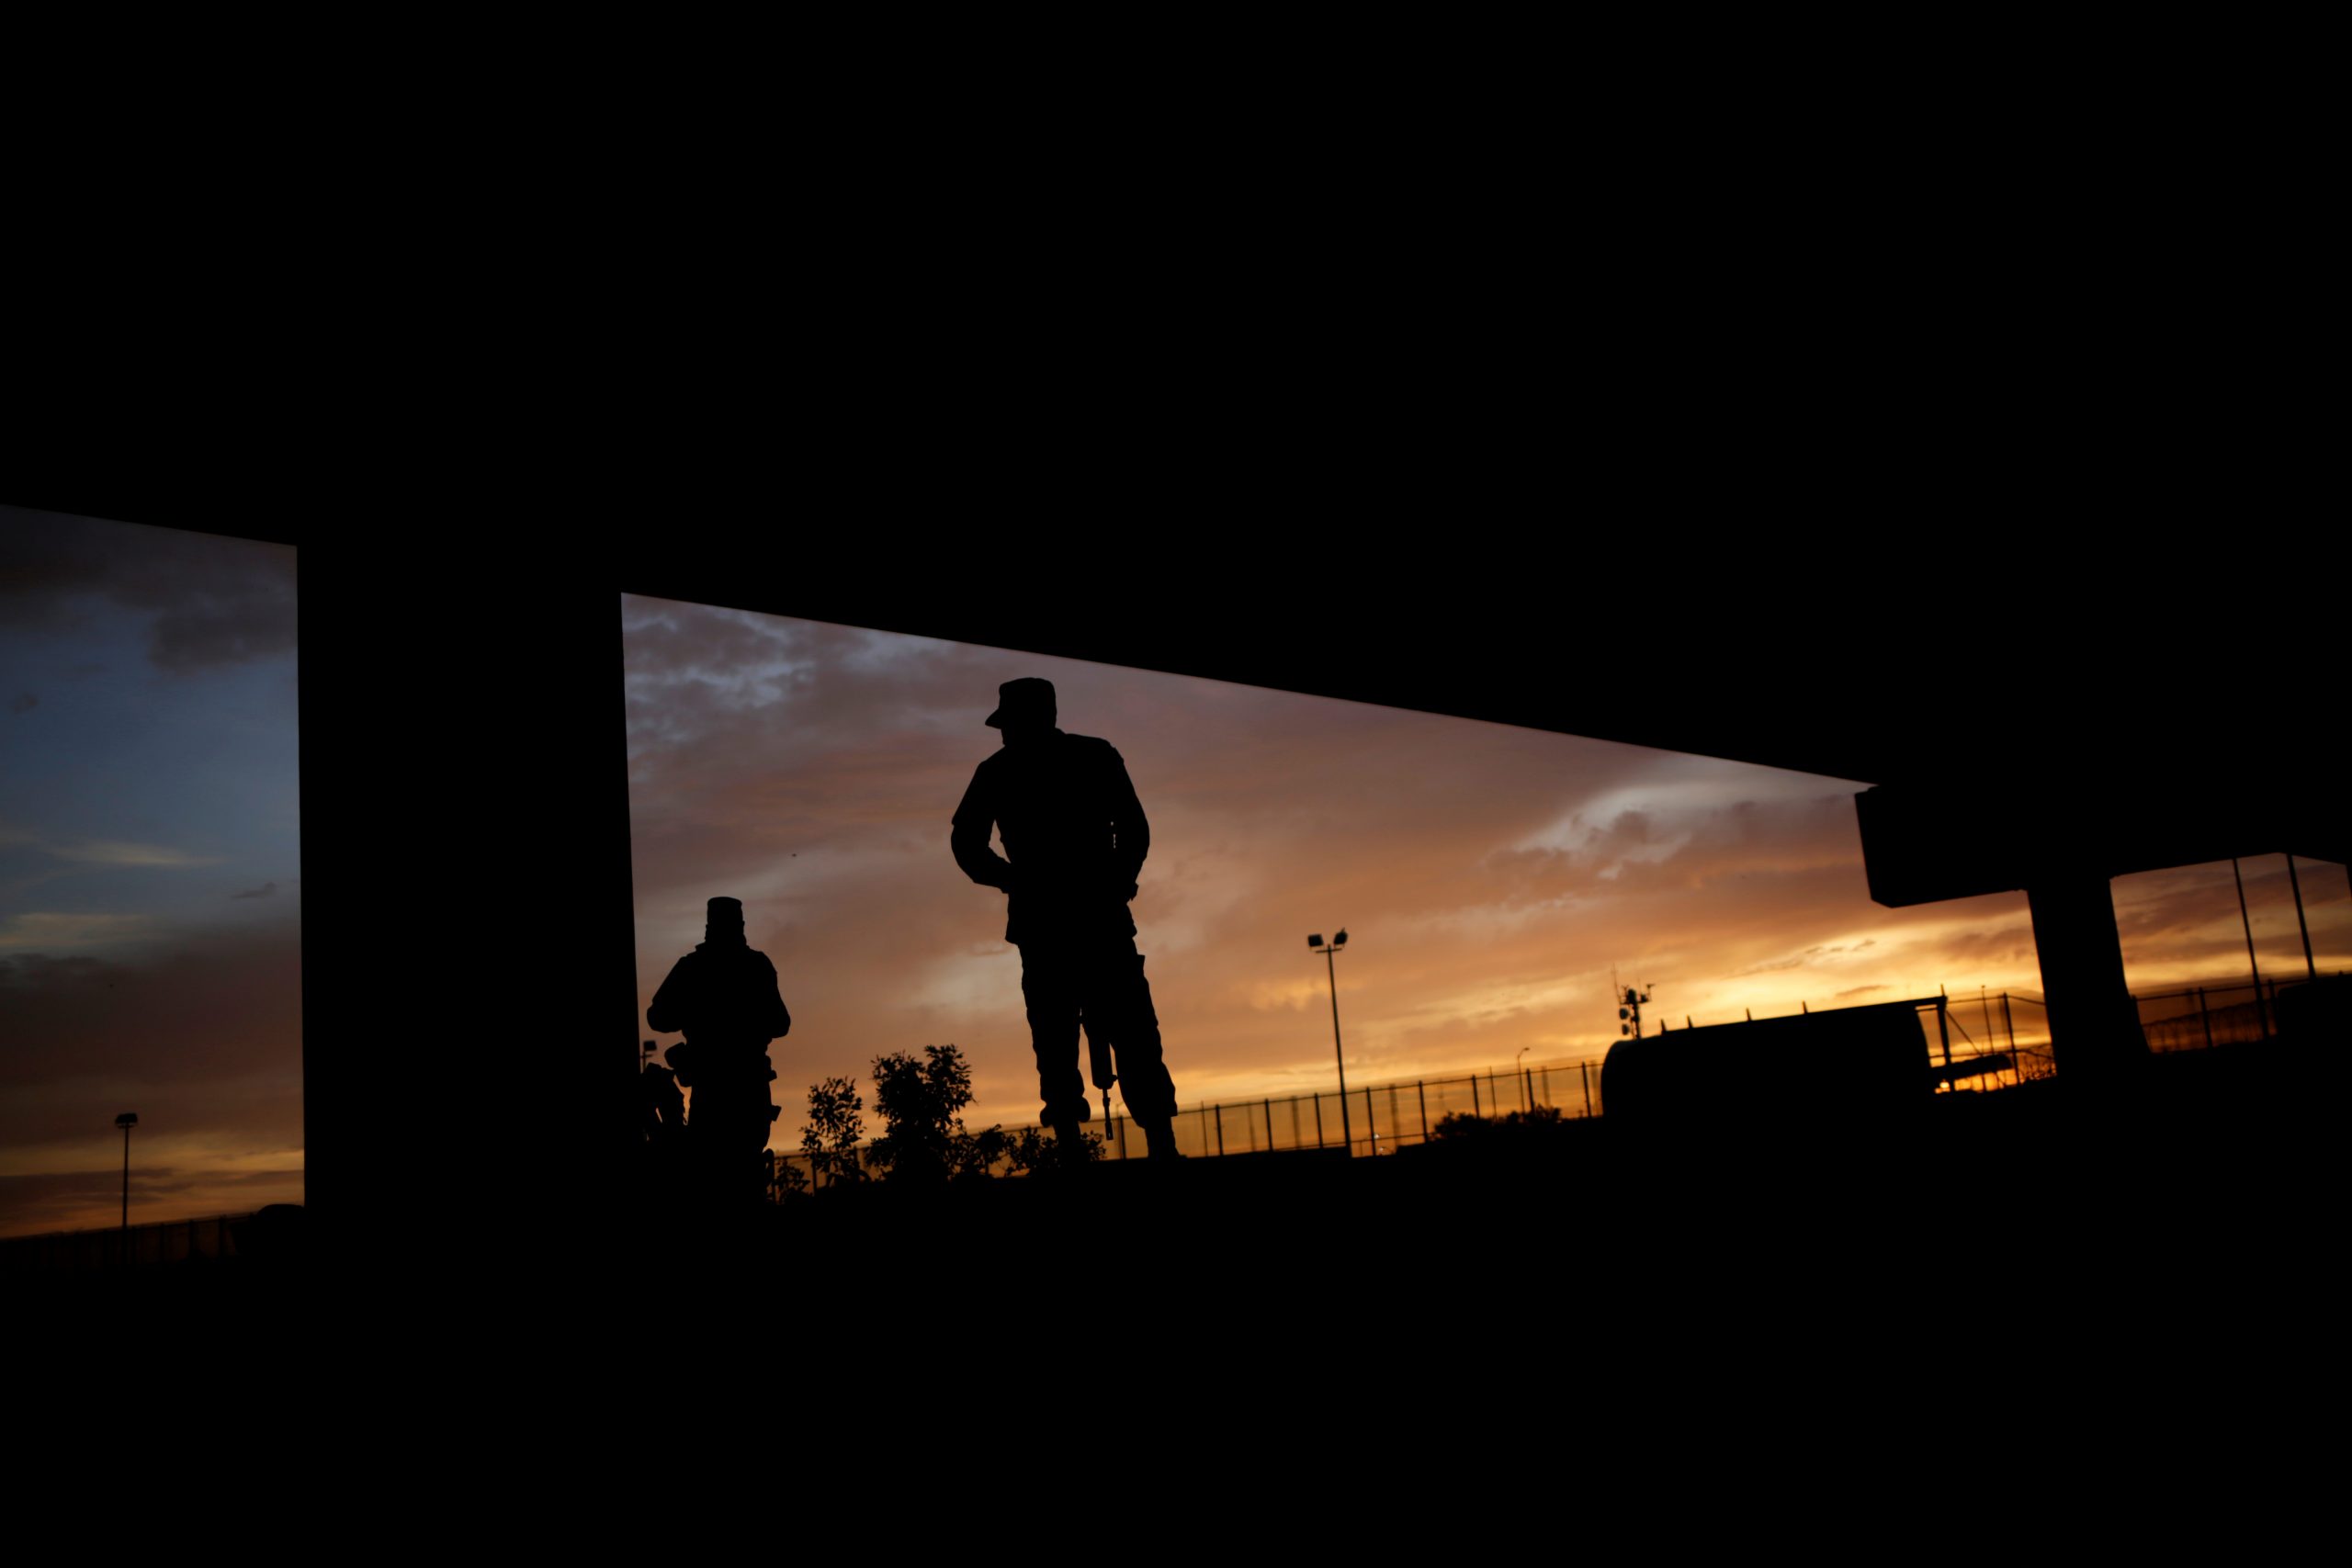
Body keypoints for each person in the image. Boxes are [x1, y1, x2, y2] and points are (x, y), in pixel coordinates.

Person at [952, 677, 1183, 1160]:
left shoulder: (1005, 770)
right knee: (1105, 1034)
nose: (1004, 734)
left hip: (1063, 923)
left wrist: (1016, 880)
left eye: (1009, 724)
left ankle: (1105, 1144)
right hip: (1084, 920)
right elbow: (1134, 829)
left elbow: (967, 845)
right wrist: (1113, 879)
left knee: (1078, 1037)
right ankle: (1137, 1143)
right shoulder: (1090, 756)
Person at [646, 896, 791, 1203]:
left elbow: (658, 1017)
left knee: (714, 1178)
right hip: (746, 1089)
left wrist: (699, 1014)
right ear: (740, 925)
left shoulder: (694, 968)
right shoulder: (755, 966)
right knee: (738, 1178)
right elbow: (780, 1023)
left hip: (716, 1090)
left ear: (709, 926)